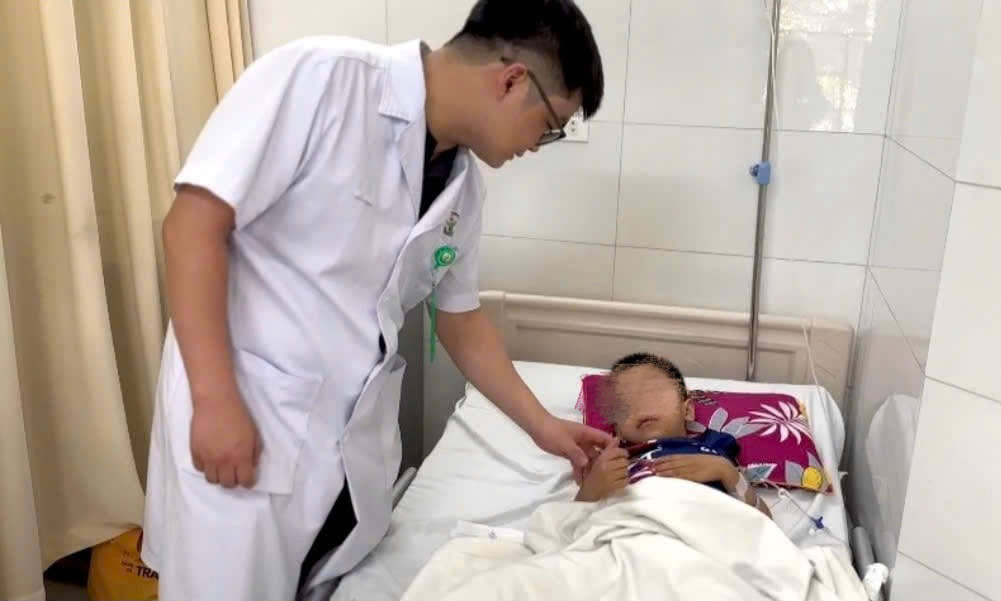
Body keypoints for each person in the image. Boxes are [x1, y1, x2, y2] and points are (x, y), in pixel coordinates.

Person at [140, 1, 612, 599]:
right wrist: (214, 400)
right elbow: (192, 225)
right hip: (250, 418)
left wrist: (545, 427)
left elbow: (461, 320)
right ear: (512, 79)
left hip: (348, 454)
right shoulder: (322, 78)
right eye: (550, 124)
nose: (540, 145)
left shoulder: (462, 187)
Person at [575, 353, 772, 518]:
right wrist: (591, 490)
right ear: (617, 430)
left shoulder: (714, 446)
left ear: (687, 411)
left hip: (706, 524)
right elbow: (572, 522)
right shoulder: (612, 460)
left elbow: (763, 523)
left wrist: (726, 472)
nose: (641, 407)